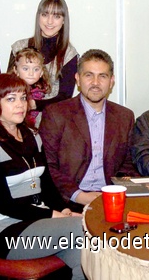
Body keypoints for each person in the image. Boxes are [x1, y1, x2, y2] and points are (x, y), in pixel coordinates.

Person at [0, 73, 84, 279]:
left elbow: (47, 185)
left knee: (86, 257)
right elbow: (5, 205)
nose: (20, 104)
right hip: (5, 233)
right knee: (83, 227)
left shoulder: (31, 136)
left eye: (23, 97)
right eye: (11, 99)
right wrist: (57, 215)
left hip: (39, 223)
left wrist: (64, 209)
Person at [39, 49, 139, 205]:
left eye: (102, 76)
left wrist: (115, 192)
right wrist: (79, 196)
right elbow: (49, 166)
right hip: (69, 200)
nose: (95, 83)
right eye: (89, 75)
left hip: (111, 197)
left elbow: (128, 164)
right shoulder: (56, 114)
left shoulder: (124, 117)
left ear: (112, 81)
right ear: (78, 79)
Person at [7, 0, 78, 111]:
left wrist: (33, 105)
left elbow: (65, 97)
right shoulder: (19, 47)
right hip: (17, 115)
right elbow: (7, 87)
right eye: (45, 15)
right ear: (38, 17)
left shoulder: (69, 54)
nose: (49, 21)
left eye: (56, 16)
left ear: (64, 20)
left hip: (52, 119)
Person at [11, 47, 51, 128]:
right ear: (16, 70)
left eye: (36, 69)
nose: (31, 73)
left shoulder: (41, 91)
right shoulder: (10, 90)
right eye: (25, 69)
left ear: (41, 73)